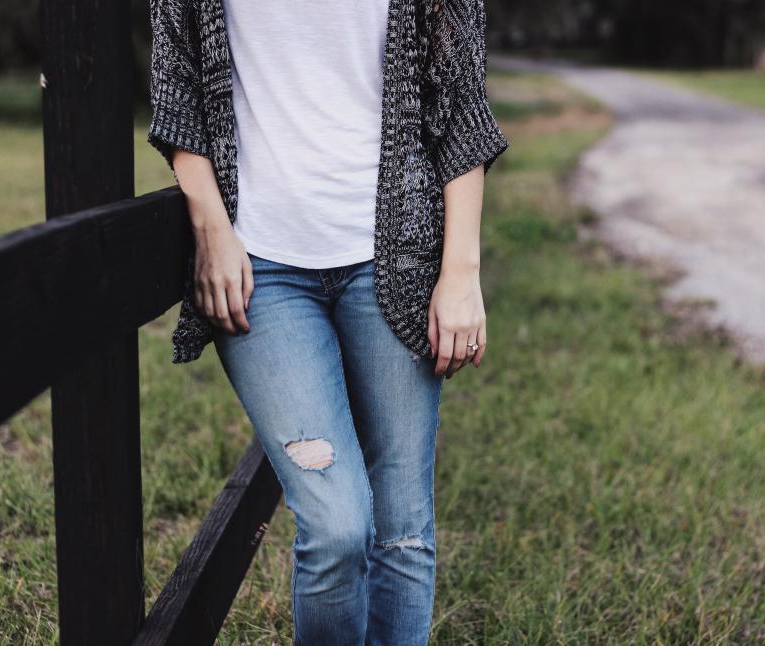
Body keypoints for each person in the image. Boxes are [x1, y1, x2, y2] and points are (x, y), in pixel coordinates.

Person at [147, 0, 508, 643]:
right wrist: (210, 226)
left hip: (394, 258)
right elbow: (178, 93)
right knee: (337, 525)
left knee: (402, 531)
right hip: (261, 272)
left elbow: (460, 111)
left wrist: (461, 271)